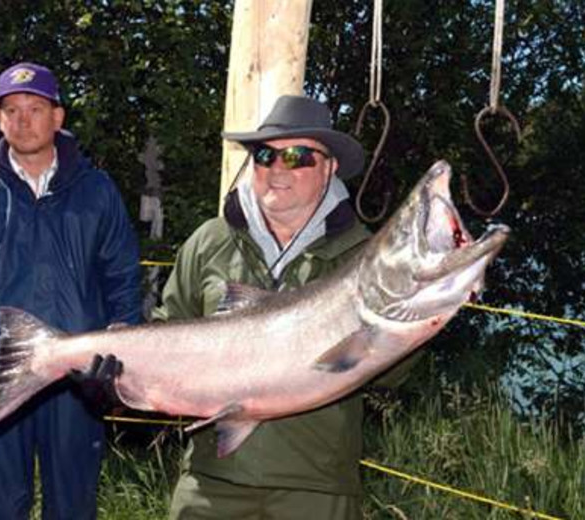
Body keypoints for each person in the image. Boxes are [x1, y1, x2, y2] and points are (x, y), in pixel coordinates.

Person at [151, 95, 420, 520]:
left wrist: (418, 318)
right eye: (265, 154)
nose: (278, 168)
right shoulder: (208, 241)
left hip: (316, 485)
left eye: (297, 156)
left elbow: (391, 376)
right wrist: (107, 381)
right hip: (210, 481)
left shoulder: (366, 259)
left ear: (329, 167)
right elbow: (166, 332)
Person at [0, 62, 142, 519]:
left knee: (73, 508)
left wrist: (122, 370)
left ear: (57, 117)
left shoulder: (97, 191)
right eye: (12, 110)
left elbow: (122, 280)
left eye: (35, 108)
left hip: (78, 380)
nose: (23, 120)